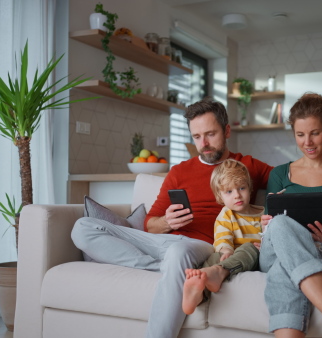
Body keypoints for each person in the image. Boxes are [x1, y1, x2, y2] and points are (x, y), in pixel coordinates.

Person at [71, 98, 273, 338]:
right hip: (162, 244)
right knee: (83, 227)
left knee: (178, 254)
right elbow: (149, 224)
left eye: (210, 134)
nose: (204, 144)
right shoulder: (179, 171)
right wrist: (167, 221)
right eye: (196, 137)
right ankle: (167, 270)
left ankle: (173, 277)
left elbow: (288, 182)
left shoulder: (247, 166)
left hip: (200, 246)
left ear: (227, 131)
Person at [260, 92, 322, 338]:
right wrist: (267, 224)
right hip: (279, 248)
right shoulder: (280, 174)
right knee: (281, 224)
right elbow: (269, 225)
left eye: (314, 133)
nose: (308, 142)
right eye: (300, 134)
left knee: (284, 268)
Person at [182, 159, 264, 315]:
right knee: (212, 260)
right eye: (229, 191)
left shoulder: (264, 212)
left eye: (242, 188)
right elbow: (223, 236)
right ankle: (198, 293)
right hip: (231, 255)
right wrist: (225, 250)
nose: (237, 195)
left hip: (255, 256)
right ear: (219, 196)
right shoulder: (226, 214)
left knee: (250, 247)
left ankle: (217, 272)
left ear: (250, 188)